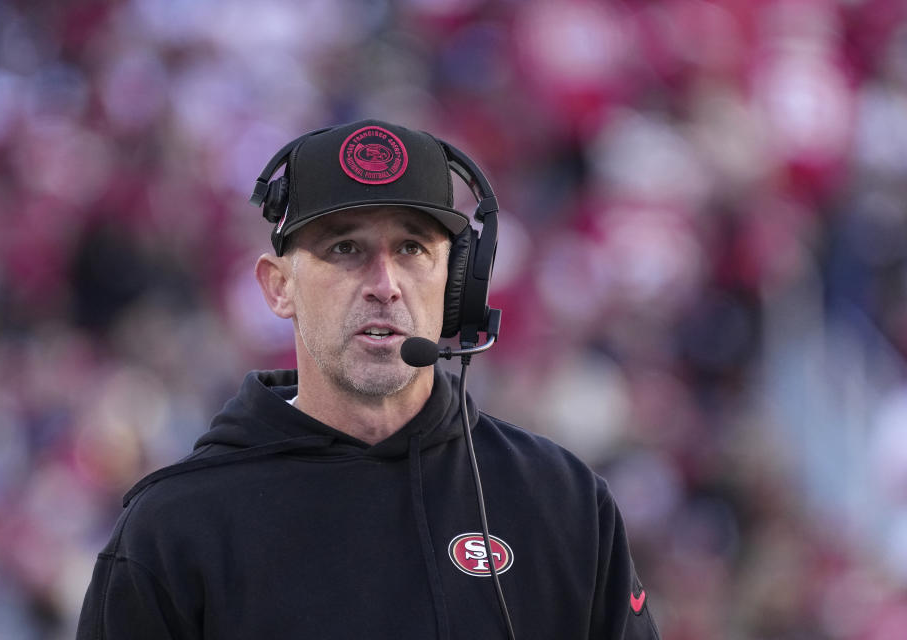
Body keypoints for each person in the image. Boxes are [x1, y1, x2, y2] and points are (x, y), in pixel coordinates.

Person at [76, 119, 661, 639]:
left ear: (459, 287)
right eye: (346, 248)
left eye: (411, 248)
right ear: (278, 287)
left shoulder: (561, 500)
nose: (385, 283)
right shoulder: (174, 530)